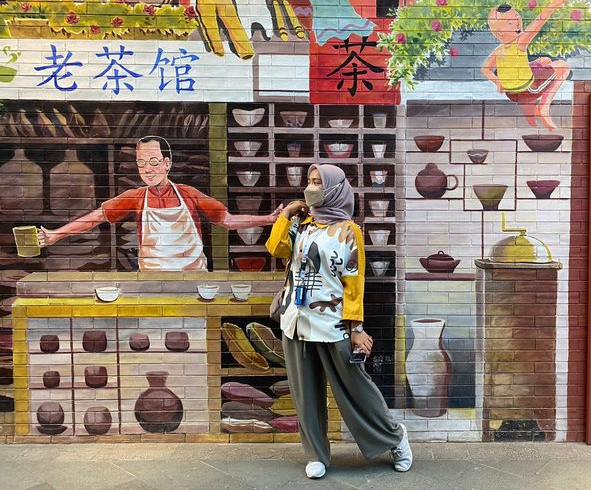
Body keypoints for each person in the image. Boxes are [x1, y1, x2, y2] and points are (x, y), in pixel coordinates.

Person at [265, 164, 411, 479]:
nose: (311, 188)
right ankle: (316, 454)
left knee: (356, 388)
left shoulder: (348, 231)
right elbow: (275, 248)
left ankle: (395, 438)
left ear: (334, 188)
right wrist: (286, 214)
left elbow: (354, 284)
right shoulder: (300, 225)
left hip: (333, 324)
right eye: (309, 182)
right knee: (305, 394)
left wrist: (356, 330)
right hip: (296, 320)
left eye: (318, 182)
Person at [37, 135, 281, 271]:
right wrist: (56, 235)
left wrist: (268, 219)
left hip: (194, 278)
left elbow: (227, 220)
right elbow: (97, 217)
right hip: (152, 280)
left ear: (167, 163)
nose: (147, 169)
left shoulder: (189, 194)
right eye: (141, 163)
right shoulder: (135, 197)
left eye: (153, 162)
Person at [481, 0, 570, 130]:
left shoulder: (498, 51)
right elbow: (539, 21)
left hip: (510, 93)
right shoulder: (520, 42)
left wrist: (498, 82)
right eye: (510, 22)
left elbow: (485, 69)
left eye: (517, 16)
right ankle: (543, 107)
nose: (517, 21)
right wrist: (554, 3)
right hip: (527, 90)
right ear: (499, 32)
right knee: (562, 67)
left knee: (545, 61)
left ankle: (537, 103)